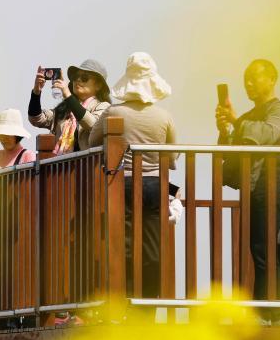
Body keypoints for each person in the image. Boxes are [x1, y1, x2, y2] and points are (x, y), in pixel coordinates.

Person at [90, 52, 177, 300]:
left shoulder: (113, 113)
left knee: (124, 243)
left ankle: (125, 298)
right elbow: (172, 159)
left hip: (122, 184)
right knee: (151, 245)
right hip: (154, 185)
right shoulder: (165, 117)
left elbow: (92, 141)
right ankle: (149, 300)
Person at [215, 59, 280, 325]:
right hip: (255, 186)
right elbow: (233, 154)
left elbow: (268, 133)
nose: (248, 84)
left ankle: (272, 313)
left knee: (264, 247)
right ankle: (268, 311)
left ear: (272, 79)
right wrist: (225, 131)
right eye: (246, 79)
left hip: (274, 184)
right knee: (259, 247)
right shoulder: (248, 116)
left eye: (254, 78)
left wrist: (237, 121)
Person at [27, 59, 112, 155]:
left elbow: (93, 126)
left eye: (84, 77)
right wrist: (36, 92)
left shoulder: (104, 107)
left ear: (98, 85)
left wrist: (67, 94)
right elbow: (36, 119)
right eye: (75, 77)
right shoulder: (64, 110)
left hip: (87, 167)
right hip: (61, 167)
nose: (78, 80)